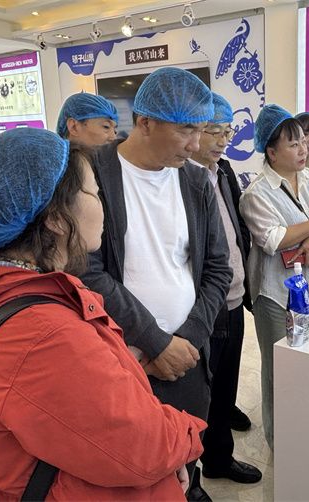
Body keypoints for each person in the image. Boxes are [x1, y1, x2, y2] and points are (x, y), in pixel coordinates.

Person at [0, 128, 206, 500]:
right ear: (55, 217)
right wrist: (185, 438)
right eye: (94, 193)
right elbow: (143, 447)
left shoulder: (22, 296)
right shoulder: (40, 335)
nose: (103, 205)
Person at [81, 67, 232, 502]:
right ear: (145, 122)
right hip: (122, 356)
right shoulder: (93, 175)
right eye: (186, 130)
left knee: (186, 449)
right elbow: (86, 269)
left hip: (186, 356)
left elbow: (217, 269)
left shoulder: (195, 181)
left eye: (201, 130)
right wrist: (154, 340)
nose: (196, 144)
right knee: (134, 469)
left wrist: (188, 339)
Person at [239, 104, 309, 449]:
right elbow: (274, 239)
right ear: (271, 152)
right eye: (293, 144)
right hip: (276, 293)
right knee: (280, 369)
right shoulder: (256, 193)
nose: (304, 148)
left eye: (304, 141)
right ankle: (281, 442)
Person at [188, 93, 262, 484]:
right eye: (213, 130)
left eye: (227, 131)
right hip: (203, 303)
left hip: (232, 298)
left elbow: (236, 230)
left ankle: (219, 459)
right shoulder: (181, 178)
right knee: (197, 395)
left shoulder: (223, 171)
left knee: (225, 388)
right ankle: (188, 477)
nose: (222, 139)